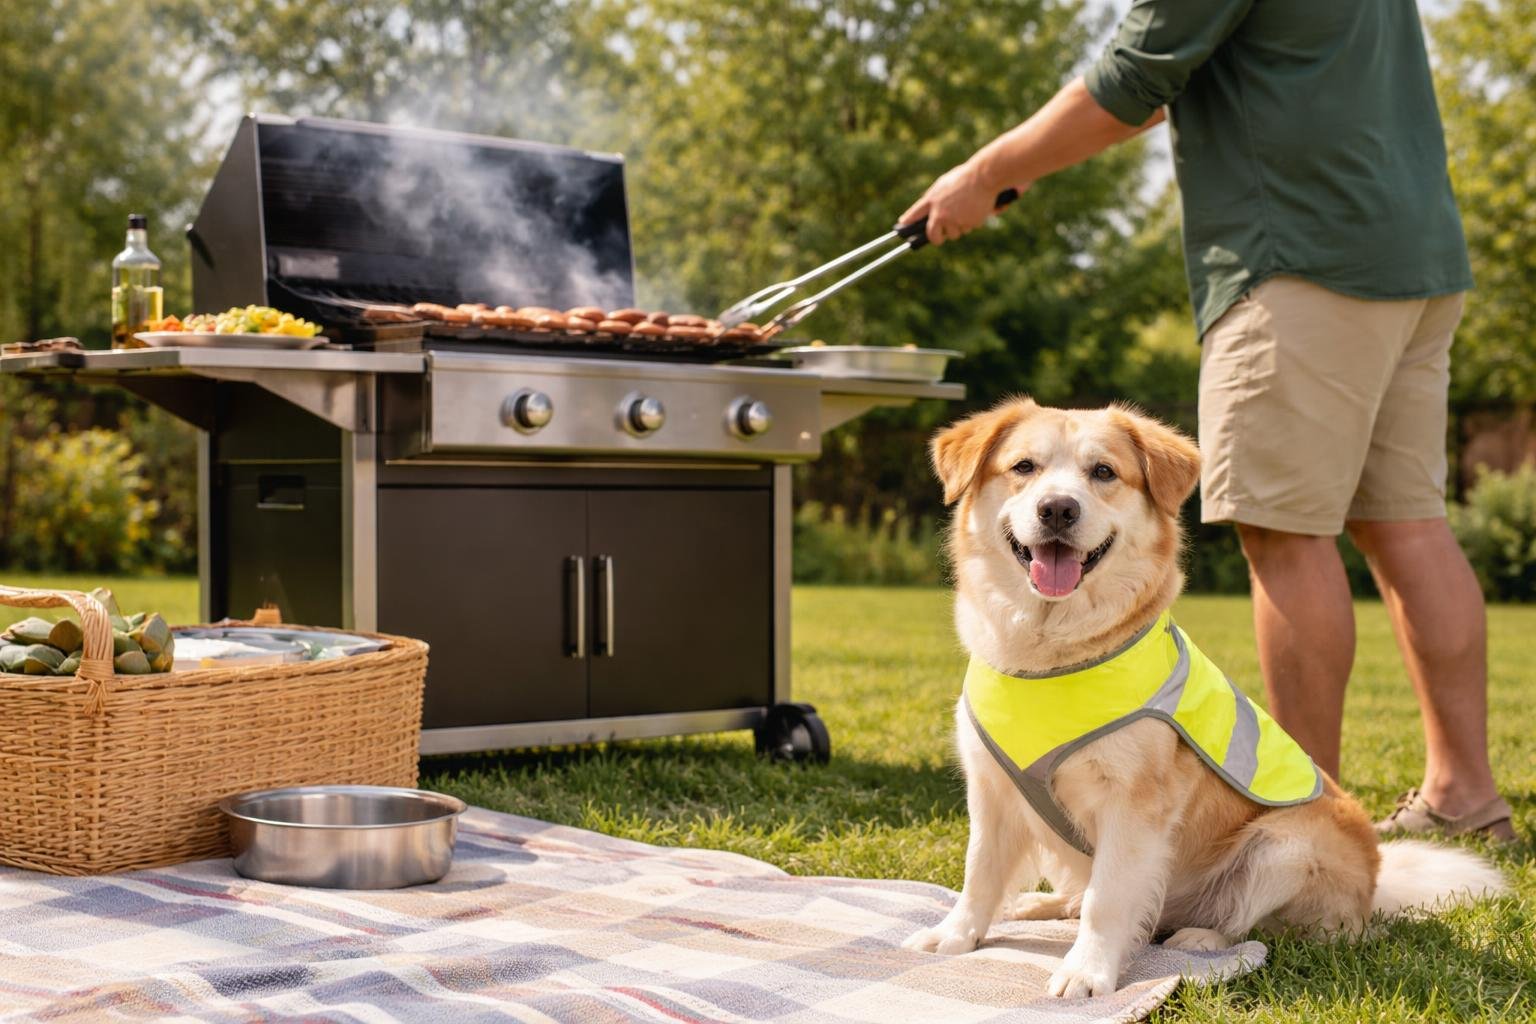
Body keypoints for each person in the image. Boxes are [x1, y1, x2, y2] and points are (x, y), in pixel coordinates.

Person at [901, 0, 1513, 841]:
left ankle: (1304, 820)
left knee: (1284, 535)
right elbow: (1168, 84)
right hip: (1411, 250)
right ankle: (1465, 798)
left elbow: (1131, 78)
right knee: (1404, 524)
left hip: (1297, 257)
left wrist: (982, 174)